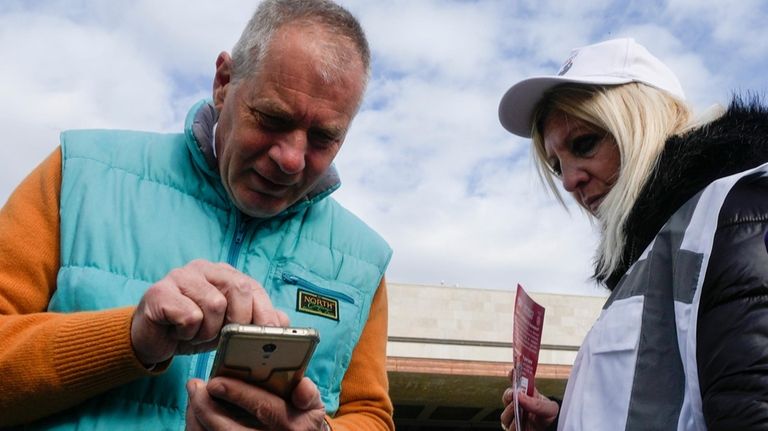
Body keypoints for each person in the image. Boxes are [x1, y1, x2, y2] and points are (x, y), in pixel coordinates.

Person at [0, 1, 394, 430]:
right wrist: (131, 336)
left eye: (323, 137)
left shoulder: (363, 262)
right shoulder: (78, 174)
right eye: (272, 118)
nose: (291, 159)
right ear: (224, 82)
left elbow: (371, 416)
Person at [497, 37, 768, 430]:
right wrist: (563, 420)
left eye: (585, 143)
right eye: (557, 166)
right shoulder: (668, 246)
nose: (570, 181)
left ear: (641, 122)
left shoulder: (732, 215)